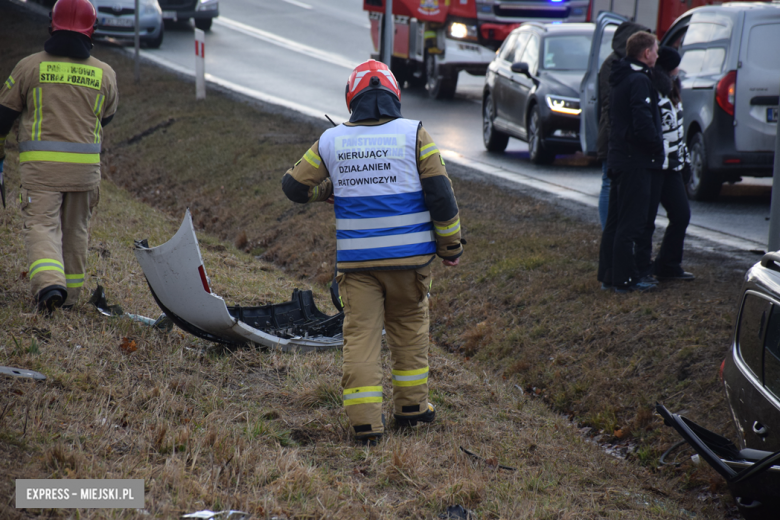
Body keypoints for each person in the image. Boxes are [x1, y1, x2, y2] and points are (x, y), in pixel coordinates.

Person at [281, 60, 463, 445]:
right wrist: (450, 246)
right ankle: (412, 411)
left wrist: (326, 190)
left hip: (359, 266)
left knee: (361, 338)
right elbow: (441, 196)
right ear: (394, 95)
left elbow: (293, 187)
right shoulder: (416, 135)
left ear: (353, 98)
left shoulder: (331, 140)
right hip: (410, 263)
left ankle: (366, 425)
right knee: (410, 333)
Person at [0, 0, 119, 314]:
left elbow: (3, 116)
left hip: (42, 172)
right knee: (76, 230)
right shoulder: (105, 74)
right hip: (85, 175)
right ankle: (71, 297)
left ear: (52, 24)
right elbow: (105, 119)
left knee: (41, 225)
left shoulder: (29, 66)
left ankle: (50, 284)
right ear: (91, 30)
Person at [597, 32, 664, 293]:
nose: (657, 55)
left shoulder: (621, 76)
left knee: (615, 221)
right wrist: (656, 145)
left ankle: (610, 275)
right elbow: (642, 120)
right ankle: (625, 279)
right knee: (630, 223)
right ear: (646, 53)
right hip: (635, 161)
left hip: (620, 158)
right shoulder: (638, 80)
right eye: (656, 50)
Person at [635, 46, 694, 281]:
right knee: (646, 221)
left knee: (681, 215)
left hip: (673, 165)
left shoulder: (672, 90)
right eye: (676, 65)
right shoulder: (654, 90)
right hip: (656, 165)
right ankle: (642, 267)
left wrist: (685, 161)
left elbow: (678, 131)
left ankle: (668, 264)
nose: (679, 70)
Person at [596, 22, 651, 230]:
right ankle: (607, 230)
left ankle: (616, 231)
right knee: (608, 182)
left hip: (620, 136)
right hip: (612, 136)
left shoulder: (631, 64)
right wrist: (616, 138)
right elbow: (609, 106)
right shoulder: (614, 64)